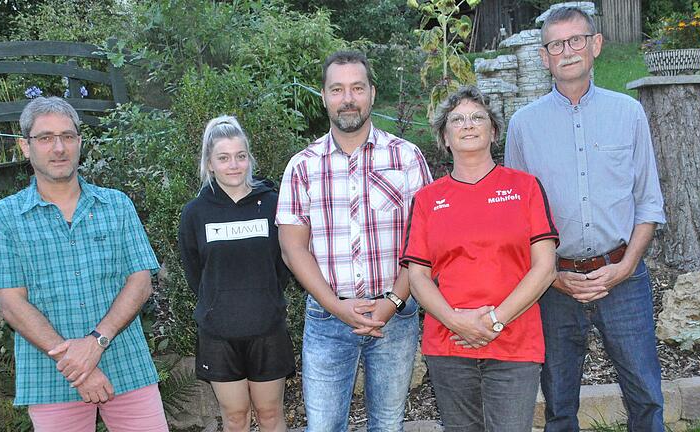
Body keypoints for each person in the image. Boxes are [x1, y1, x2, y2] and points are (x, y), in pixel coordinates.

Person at [505, 6, 667, 432]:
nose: (567, 51)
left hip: (624, 278)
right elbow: (515, 219)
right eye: (556, 44)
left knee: (647, 397)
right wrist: (552, 276)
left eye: (576, 40)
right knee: (559, 404)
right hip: (556, 284)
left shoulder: (628, 113)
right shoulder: (523, 126)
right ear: (545, 57)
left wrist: (626, 266)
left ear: (594, 45)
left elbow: (648, 201)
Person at [0, 97, 167, 431]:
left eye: (67, 136)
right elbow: (11, 304)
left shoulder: (116, 205)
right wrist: (77, 364)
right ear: (25, 146)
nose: (58, 147)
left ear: (80, 142)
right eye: (45, 138)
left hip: (127, 365)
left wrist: (96, 343)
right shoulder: (2, 219)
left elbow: (140, 281)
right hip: (50, 377)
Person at [276, 50, 432, 431]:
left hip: (396, 316)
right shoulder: (302, 166)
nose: (348, 98)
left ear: (372, 94)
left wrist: (394, 301)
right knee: (325, 425)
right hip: (327, 318)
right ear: (324, 97)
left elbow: (426, 241)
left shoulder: (406, 157)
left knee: (388, 423)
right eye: (337, 89)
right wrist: (336, 307)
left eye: (357, 88)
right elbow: (292, 248)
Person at [401, 86, 558, 432]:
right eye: (457, 119)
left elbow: (545, 268)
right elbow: (417, 278)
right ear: (444, 136)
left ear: (494, 130)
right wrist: (457, 322)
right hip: (449, 344)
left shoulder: (526, 187)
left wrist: (495, 321)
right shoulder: (427, 199)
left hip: (515, 342)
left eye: (477, 118)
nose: (468, 125)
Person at [178, 115, 294, 432]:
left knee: (270, 414)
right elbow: (195, 274)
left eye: (240, 156)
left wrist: (263, 297)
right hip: (218, 334)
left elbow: (284, 262)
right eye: (224, 158)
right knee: (235, 418)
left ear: (249, 159)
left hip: (267, 329)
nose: (234, 165)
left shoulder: (273, 204)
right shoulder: (194, 213)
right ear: (210, 163)